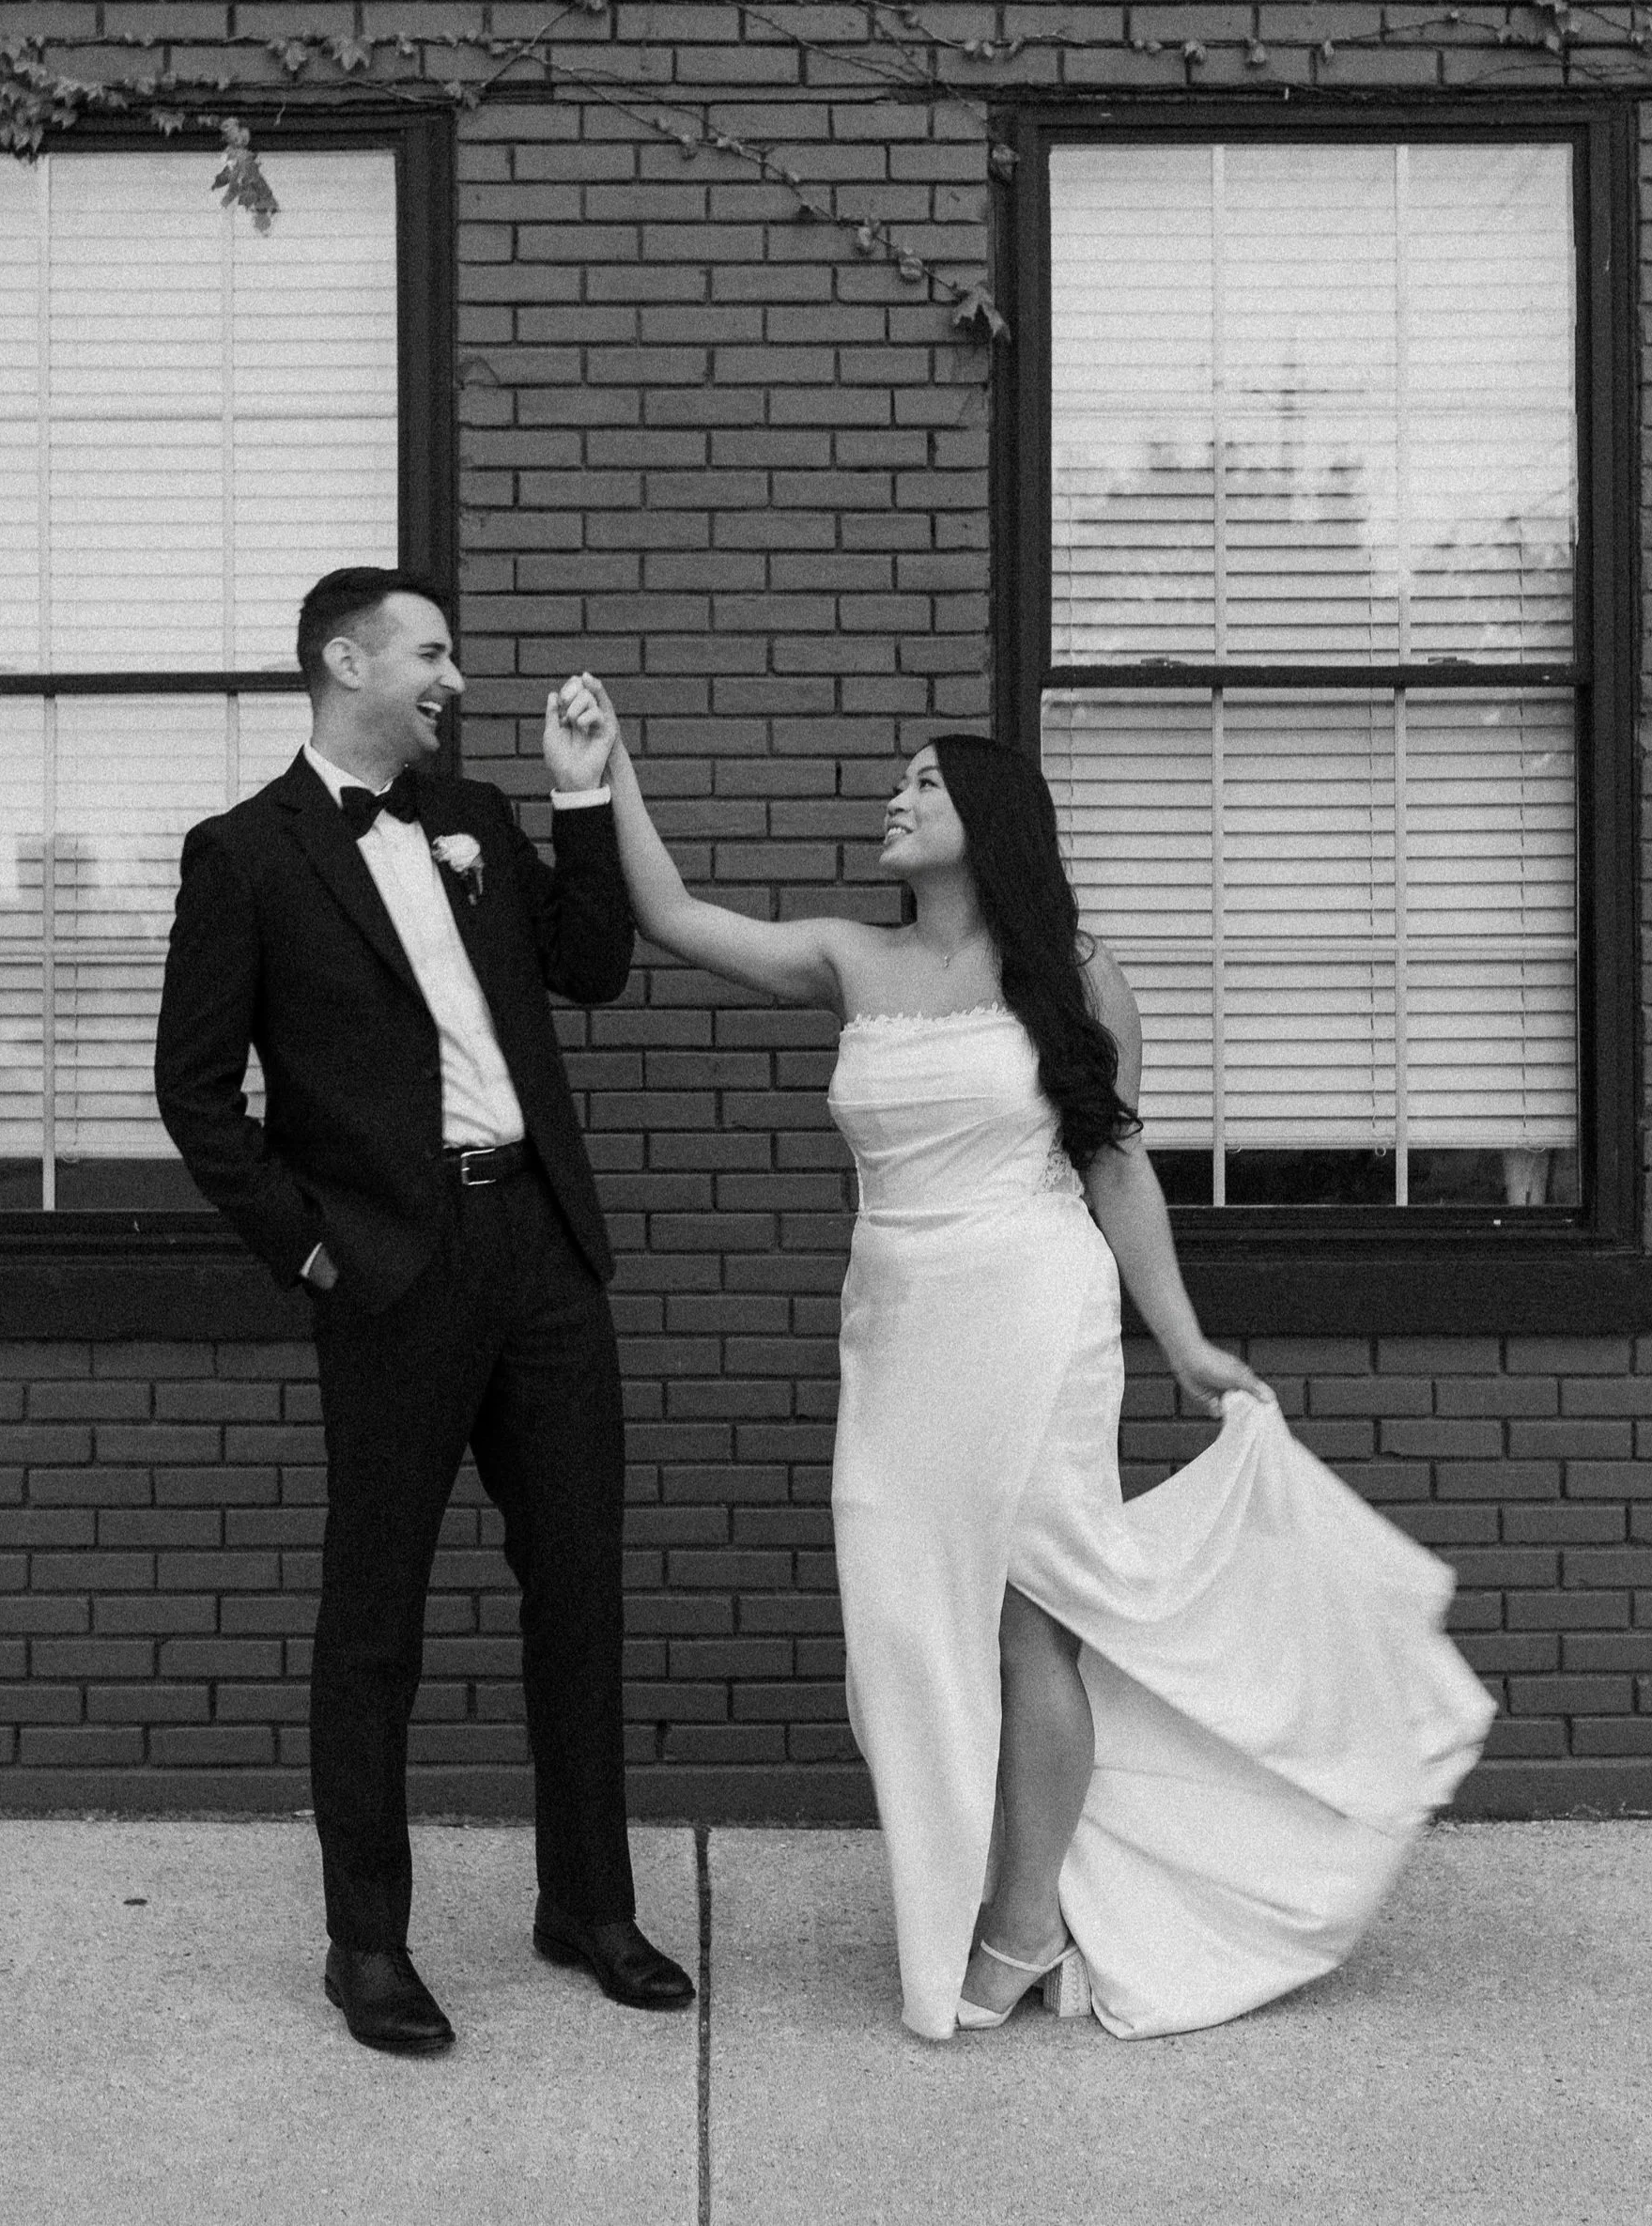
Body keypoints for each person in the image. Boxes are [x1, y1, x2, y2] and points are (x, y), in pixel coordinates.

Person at [589, 688, 1495, 2042]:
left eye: (923, 787)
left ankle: (1017, 1926)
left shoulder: (1073, 972)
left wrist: (1182, 1339)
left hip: (1033, 1304)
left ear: (988, 823)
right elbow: (671, 917)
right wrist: (610, 772)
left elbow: (1116, 1163)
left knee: (1034, 1615)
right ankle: (985, 1884)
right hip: (898, 1321)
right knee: (904, 1617)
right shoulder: (849, 956)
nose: (894, 803)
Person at [154, 572, 694, 2056]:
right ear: (349, 661)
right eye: (431, 652)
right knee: (374, 1618)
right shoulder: (244, 857)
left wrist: (583, 800)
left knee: (578, 1583)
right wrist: (313, 1256)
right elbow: (195, 1095)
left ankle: (588, 1905)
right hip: (390, 1268)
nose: (455, 675)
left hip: (540, 1244)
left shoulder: (478, 822)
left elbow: (592, 970)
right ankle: (368, 1942)